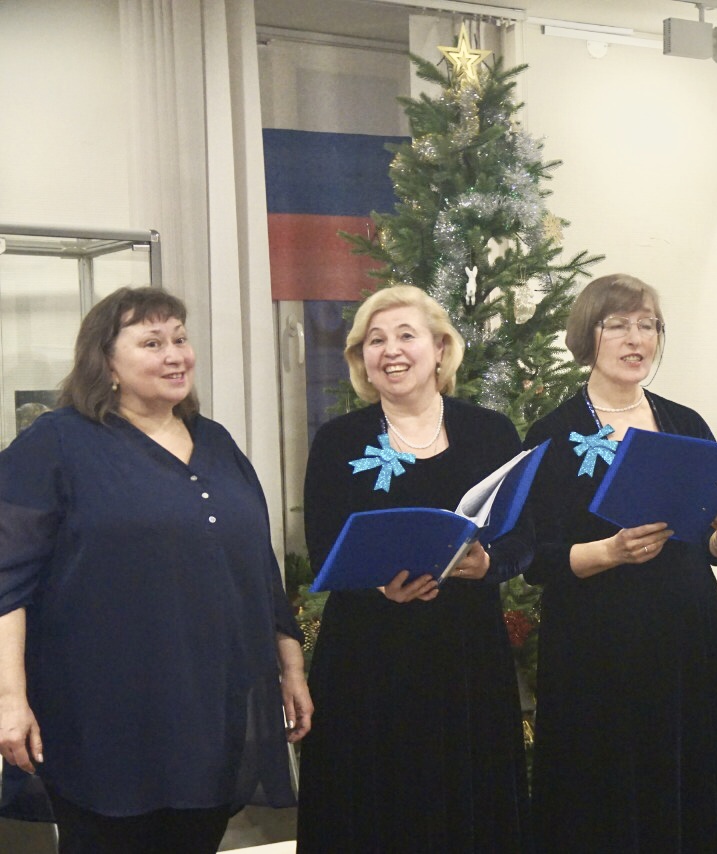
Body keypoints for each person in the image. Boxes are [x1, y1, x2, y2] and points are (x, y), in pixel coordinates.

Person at [0, 286, 310, 853]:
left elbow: (258, 568)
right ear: (106, 363)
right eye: (151, 343)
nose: (175, 355)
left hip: (209, 706)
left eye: (180, 339)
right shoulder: (56, 442)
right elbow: (6, 582)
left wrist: (290, 668)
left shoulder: (215, 441)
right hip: (100, 711)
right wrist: (9, 699)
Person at [522, 274, 717, 853]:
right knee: (605, 796)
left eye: (647, 325)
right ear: (589, 335)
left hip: (685, 637)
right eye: (619, 325)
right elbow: (533, 557)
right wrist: (611, 551)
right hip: (596, 645)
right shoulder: (552, 434)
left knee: (690, 784)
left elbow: (705, 539)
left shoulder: (685, 423)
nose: (636, 339)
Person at [296, 284, 532, 852]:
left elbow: (524, 536)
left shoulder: (491, 432)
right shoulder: (338, 440)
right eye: (375, 340)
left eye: (406, 335)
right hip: (369, 658)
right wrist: (378, 586)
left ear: (440, 348)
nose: (391, 350)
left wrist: (490, 561)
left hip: (466, 656)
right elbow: (323, 546)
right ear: (362, 359)